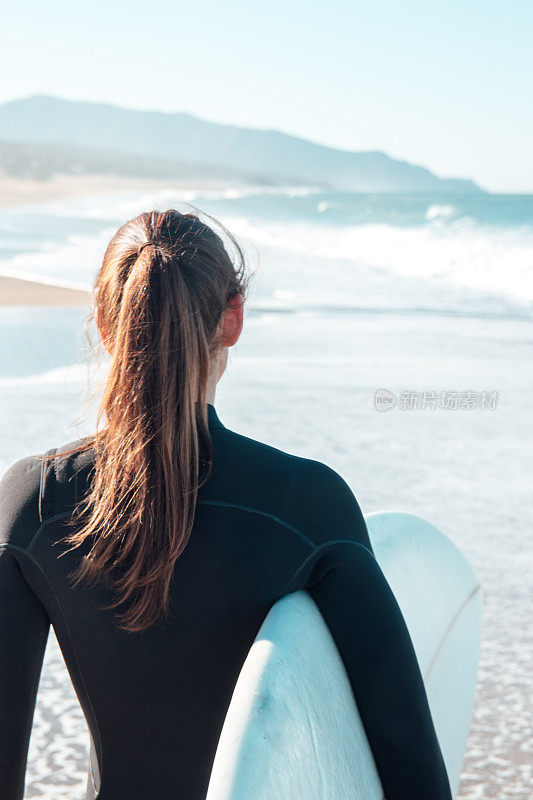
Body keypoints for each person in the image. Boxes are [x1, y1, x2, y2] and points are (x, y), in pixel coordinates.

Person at [0, 209, 452, 800]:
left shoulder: (35, 502)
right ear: (233, 318)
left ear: (105, 326)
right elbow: (412, 768)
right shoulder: (308, 505)